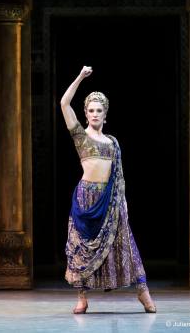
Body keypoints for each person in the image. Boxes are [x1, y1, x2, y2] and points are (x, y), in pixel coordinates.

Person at [61, 66, 157, 314]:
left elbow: (119, 176)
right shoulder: (81, 136)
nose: (94, 113)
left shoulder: (112, 142)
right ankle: (82, 298)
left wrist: (123, 201)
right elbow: (64, 103)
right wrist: (81, 77)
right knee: (81, 249)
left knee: (127, 245)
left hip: (111, 200)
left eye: (99, 110)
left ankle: (144, 295)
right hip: (86, 198)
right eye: (91, 110)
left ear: (105, 115)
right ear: (85, 114)